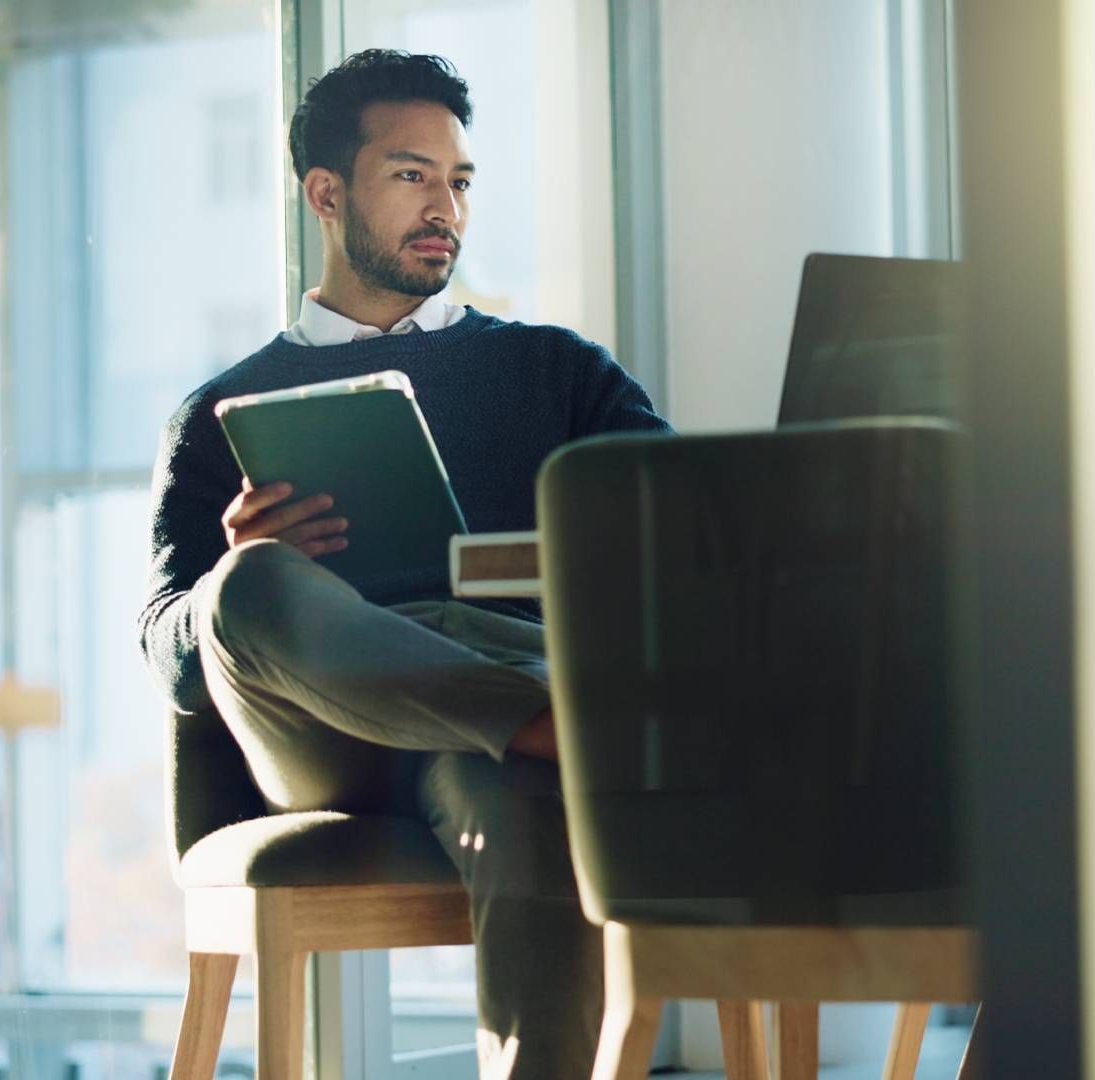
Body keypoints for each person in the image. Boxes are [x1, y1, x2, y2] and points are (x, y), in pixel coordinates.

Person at [137, 49, 668, 1077]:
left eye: (460, 180)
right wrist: (239, 568)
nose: (445, 208)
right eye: (412, 175)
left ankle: (531, 722)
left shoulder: (558, 373)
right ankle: (549, 716)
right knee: (248, 586)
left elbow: (677, 537)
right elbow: (170, 651)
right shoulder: (214, 417)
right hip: (323, 738)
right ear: (326, 194)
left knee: (524, 796)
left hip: (491, 742)